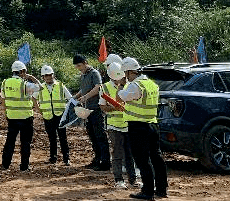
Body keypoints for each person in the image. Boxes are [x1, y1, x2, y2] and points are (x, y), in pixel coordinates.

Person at [118, 57, 168, 201]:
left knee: (142, 159)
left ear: (128, 72)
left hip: (138, 127)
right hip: (153, 124)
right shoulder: (151, 84)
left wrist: (121, 86)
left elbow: (120, 97)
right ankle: (161, 189)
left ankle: (147, 191)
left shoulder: (135, 85)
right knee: (156, 157)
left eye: (125, 73)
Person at [100, 60, 139, 190]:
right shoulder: (104, 87)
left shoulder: (129, 84)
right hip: (114, 125)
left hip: (128, 123)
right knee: (117, 153)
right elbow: (102, 106)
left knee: (130, 153)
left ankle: (133, 180)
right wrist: (114, 108)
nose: (118, 81)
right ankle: (119, 180)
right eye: (116, 79)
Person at [72, 54, 111, 170]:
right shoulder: (83, 75)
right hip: (87, 110)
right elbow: (83, 89)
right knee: (92, 136)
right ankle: (97, 159)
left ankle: (105, 162)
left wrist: (85, 97)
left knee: (100, 136)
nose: (79, 68)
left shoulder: (94, 73)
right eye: (77, 66)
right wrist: (76, 97)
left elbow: (98, 87)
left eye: (79, 65)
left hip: (96, 109)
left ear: (85, 62)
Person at [0, 60, 40, 171]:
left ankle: (5, 164)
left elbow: (3, 100)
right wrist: (31, 77)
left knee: (10, 142)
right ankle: (24, 166)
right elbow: (40, 87)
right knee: (25, 143)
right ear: (22, 71)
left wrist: (6, 113)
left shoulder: (5, 83)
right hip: (26, 118)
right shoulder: (25, 84)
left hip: (12, 117)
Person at [37, 64, 72, 166]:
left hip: (60, 116)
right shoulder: (41, 87)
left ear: (53, 75)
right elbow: (34, 98)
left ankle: (66, 158)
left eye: (50, 75)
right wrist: (38, 109)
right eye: (46, 75)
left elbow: (70, 98)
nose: (48, 77)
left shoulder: (61, 86)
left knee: (63, 137)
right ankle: (53, 157)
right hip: (48, 116)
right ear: (43, 77)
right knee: (52, 138)